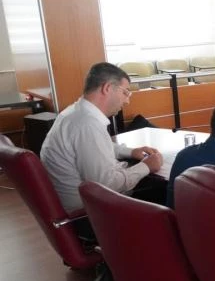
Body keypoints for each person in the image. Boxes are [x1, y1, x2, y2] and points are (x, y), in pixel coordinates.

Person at [41, 62, 163, 212]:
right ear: (107, 88)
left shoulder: (75, 113)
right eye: (125, 93)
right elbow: (107, 185)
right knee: (165, 192)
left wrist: (131, 152)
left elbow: (97, 146)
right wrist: (146, 166)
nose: (127, 101)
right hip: (92, 214)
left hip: (82, 204)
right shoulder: (87, 124)